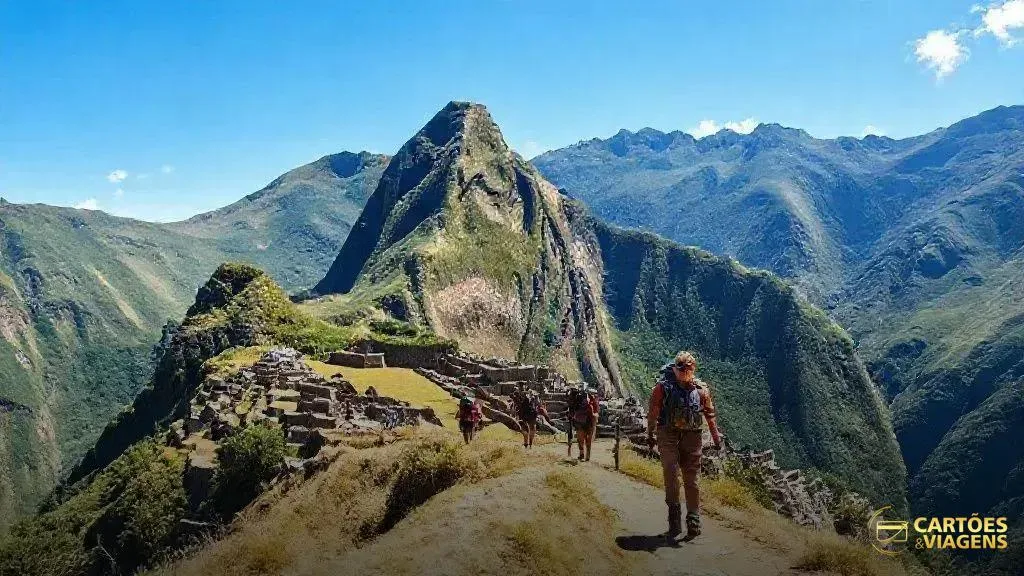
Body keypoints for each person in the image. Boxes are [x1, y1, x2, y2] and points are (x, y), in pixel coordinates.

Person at [646, 351, 722, 541]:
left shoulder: (701, 391)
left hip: (692, 437)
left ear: (693, 369)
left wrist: (716, 438)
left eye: (687, 369)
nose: (685, 373)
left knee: (691, 478)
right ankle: (674, 518)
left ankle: (693, 519)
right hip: (668, 434)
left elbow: (710, 415)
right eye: (682, 369)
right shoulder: (662, 388)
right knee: (671, 473)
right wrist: (650, 433)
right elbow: (654, 412)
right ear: (675, 369)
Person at [569, 385, 598, 461]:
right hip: (590, 420)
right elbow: (597, 411)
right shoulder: (593, 399)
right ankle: (587, 455)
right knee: (589, 439)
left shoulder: (577, 399)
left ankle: (582, 453)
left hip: (580, 420)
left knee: (580, 438)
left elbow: (572, 409)